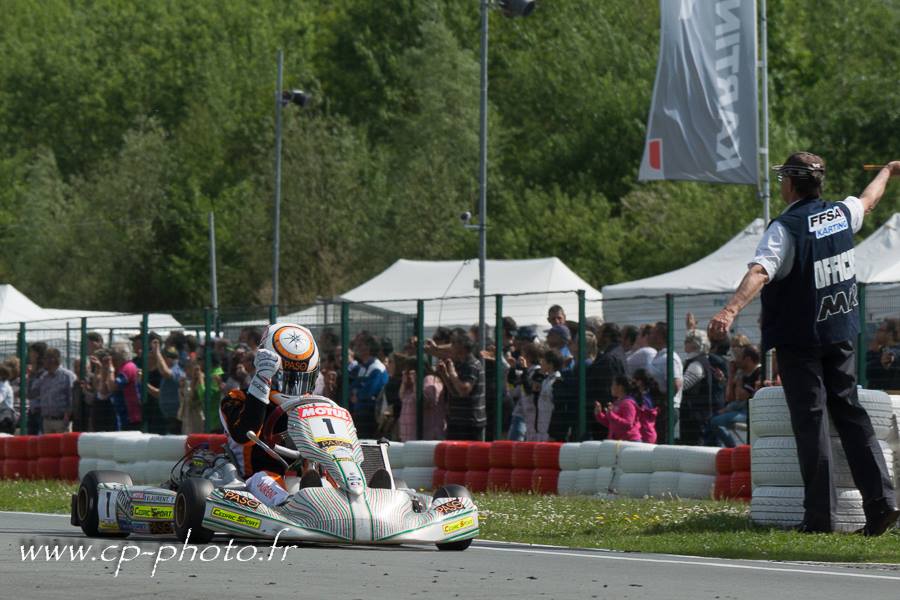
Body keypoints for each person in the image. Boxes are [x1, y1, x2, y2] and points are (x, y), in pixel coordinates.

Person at [709, 154, 900, 535]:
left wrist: (730, 310)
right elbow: (869, 201)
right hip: (841, 332)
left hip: (799, 339)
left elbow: (760, 271)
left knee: (811, 423)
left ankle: (819, 517)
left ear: (791, 184)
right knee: (851, 413)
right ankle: (882, 503)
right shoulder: (841, 214)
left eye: (783, 178)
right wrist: (888, 171)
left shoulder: (785, 228)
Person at [219, 322, 321, 507]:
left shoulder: (313, 406)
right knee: (265, 479)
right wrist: (262, 379)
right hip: (251, 483)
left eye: (300, 380)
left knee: (324, 481)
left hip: (301, 482)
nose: (293, 387)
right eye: (285, 378)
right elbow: (244, 435)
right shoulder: (235, 399)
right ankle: (288, 507)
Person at [704, 345, 761, 448]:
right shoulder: (744, 373)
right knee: (712, 419)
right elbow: (729, 397)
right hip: (740, 409)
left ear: (747, 359)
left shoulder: (758, 373)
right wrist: (730, 376)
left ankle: (732, 448)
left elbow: (740, 396)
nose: (736, 361)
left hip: (750, 413)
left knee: (716, 422)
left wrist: (738, 379)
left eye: (739, 357)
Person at [438, 331, 485, 440]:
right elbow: (455, 392)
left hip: (469, 423)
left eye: (454, 343)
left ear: (462, 346)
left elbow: (464, 390)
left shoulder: (472, 365)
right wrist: (444, 375)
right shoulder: (460, 364)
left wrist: (452, 373)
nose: (451, 346)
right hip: (456, 421)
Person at [348, 332, 389, 439]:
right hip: (359, 414)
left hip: (370, 417)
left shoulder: (377, 368)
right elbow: (352, 388)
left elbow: (369, 392)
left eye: (360, 345)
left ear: (369, 347)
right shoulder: (362, 367)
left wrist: (357, 394)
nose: (357, 347)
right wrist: (357, 392)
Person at [101, 343, 142, 430]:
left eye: (112, 355)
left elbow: (112, 387)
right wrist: (104, 369)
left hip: (130, 416)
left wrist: (110, 369)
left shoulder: (128, 367)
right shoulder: (119, 369)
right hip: (120, 415)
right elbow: (103, 391)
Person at [38, 348, 76, 433]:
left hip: (61, 421)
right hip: (46, 420)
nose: (43, 362)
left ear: (52, 360)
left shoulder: (67, 376)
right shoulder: (44, 377)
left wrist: (67, 416)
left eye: (45, 359)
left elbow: (71, 398)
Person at [593, 375, 641, 442]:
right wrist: (599, 414)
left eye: (613, 385)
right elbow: (612, 424)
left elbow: (628, 424)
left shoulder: (628, 404)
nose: (611, 387)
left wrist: (611, 415)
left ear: (620, 387)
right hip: (618, 442)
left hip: (630, 442)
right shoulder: (617, 402)